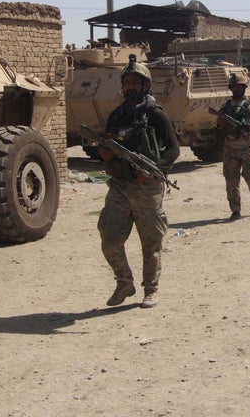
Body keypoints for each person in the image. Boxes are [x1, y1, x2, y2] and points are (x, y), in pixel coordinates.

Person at [96, 54, 180, 308]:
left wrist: (154, 170)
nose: (131, 86)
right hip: (121, 185)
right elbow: (108, 144)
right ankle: (124, 282)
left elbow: (173, 150)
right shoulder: (116, 115)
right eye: (128, 81)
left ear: (146, 85)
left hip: (147, 187)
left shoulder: (155, 114)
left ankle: (150, 289)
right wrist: (106, 154)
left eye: (136, 82)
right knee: (109, 236)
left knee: (151, 242)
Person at [215, 72, 250, 221]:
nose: (236, 89)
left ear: (244, 87)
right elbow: (218, 124)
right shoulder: (226, 106)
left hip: (247, 148)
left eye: (239, 86)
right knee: (231, 180)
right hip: (230, 148)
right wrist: (221, 123)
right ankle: (235, 210)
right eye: (233, 86)